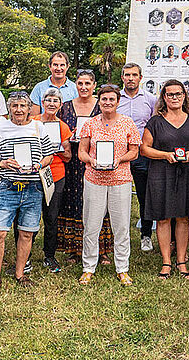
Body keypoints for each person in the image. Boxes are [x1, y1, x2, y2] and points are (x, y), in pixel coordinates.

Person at [0, 92, 55, 291]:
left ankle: (20, 273)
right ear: (9, 108)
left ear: (29, 108)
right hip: (8, 188)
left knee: (26, 233)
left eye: (23, 105)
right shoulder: (0, 127)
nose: (19, 110)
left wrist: (40, 163)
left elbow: (49, 155)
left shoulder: (39, 127)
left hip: (33, 188)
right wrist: (3, 163)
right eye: (15, 106)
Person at [77, 85, 141, 286]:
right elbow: (82, 152)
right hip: (94, 179)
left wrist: (119, 159)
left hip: (120, 179)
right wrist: (92, 161)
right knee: (91, 225)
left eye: (111, 99)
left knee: (121, 226)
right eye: (104, 99)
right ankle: (88, 267)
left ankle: (122, 268)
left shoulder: (127, 123)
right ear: (99, 101)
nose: (107, 103)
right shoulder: (90, 124)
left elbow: (135, 152)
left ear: (117, 101)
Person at [140, 79, 189, 278]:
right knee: (163, 217)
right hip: (160, 172)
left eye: (178, 94)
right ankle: (166, 261)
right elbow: (144, 149)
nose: (174, 98)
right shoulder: (155, 122)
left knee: (183, 217)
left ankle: (181, 260)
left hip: (187, 172)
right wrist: (165, 155)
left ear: (184, 96)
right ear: (163, 98)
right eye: (170, 94)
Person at [56, 70, 115, 263]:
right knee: (73, 201)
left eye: (87, 84)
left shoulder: (102, 106)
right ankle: (74, 249)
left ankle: (102, 249)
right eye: (80, 83)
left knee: (99, 203)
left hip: (96, 161)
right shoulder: (65, 108)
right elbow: (57, 132)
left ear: (94, 86)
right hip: (71, 161)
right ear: (75, 85)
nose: (83, 87)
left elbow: (111, 131)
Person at [116, 63, 157, 252]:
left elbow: (155, 126)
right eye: (127, 75)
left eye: (134, 75)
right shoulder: (115, 99)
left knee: (144, 196)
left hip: (142, 154)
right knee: (116, 197)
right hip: (118, 155)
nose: (130, 78)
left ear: (141, 77)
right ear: (122, 77)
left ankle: (146, 235)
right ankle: (115, 236)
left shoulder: (150, 99)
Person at [31, 88, 73, 272]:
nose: (51, 103)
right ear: (42, 102)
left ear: (60, 105)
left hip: (55, 175)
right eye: (48, 100)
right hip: (31, 175)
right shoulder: (32, 122)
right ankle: (25, 255)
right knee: (28, 216)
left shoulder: (63, 127)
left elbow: (68, 157)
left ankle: (49, 255)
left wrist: (59, 149)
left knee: (51, 217)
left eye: (55, 101)